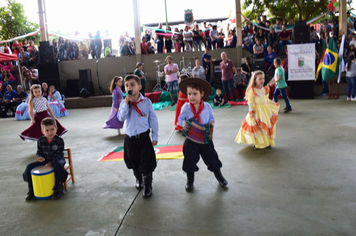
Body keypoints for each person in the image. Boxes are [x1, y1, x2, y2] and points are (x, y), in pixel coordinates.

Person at [178, 77, 228, 191]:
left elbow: (211, 118)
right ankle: (190, 180)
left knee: (212, 157)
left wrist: (212, 123)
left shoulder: (207, 107)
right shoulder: (185, 107)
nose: (191, 97)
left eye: (194, 94)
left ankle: (219, 176)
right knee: (189, 159)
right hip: (191, 139)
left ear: (202, 94)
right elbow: (180, 119)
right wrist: (183, 123)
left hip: (205, 138)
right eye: (189, 94)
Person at [118, 74, 159, 198]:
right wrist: (126, 104)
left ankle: (148, 185)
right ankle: (138, 179)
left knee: (146, 162)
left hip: (143, 137)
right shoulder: (124, 103)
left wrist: (155, 135)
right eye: (126, 85)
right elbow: (121, 118)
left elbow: (153, 119)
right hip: (130, 138)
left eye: (132, 85)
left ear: (139, 87)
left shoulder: (146, 102)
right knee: (133, 160)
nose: (129, 87)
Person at [23, 117, 68, 200]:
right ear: (42, 131)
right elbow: (39, 151)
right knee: (29, 167)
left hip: (57, 160)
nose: (50, 132)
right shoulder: (40, 140)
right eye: (47, 130)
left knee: (58, 166)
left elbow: (58, 154)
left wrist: (51, 163)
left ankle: (59, 187)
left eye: (52, 129)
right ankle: (31, 189)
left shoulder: (59, 140)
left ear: (56, 129)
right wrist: (40, 157)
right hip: (45, 160)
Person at [235, 70, 279, 149]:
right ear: (254, 80)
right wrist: (251, 111)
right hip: (257, 112)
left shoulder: (265, 89)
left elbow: (266, 100)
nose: (262, 80)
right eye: (260, 79)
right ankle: (258, 143)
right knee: (258, 127)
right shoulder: (252, 90)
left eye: (263, 78)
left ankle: (266, 142)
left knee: (267, 126)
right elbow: (250, 102)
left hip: (265, 111)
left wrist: (273, 103)